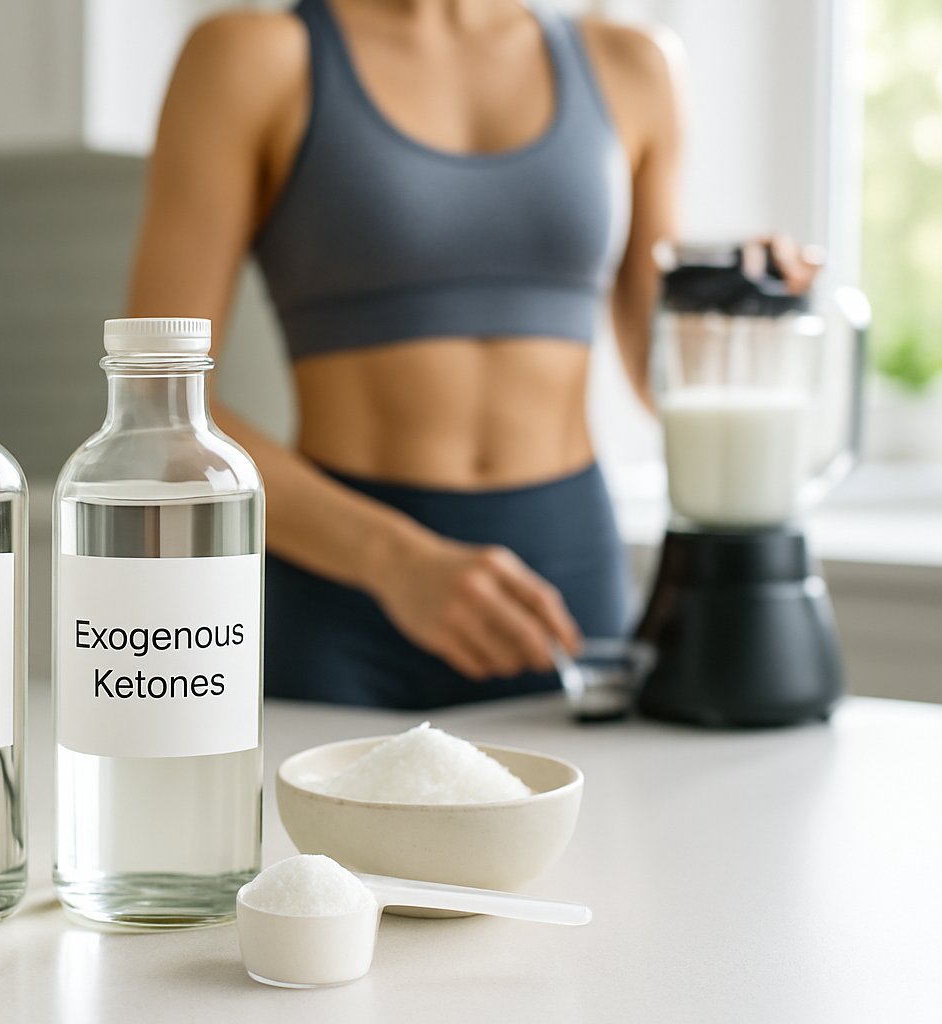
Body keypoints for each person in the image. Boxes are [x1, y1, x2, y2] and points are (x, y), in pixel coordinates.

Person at [123, 0, 783, 708]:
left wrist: (748, 299)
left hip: (564, 590)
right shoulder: (252, 57)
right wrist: (396, 561)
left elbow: (668, 379)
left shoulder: (632, 65)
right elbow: (156, 409)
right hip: (340, 601)